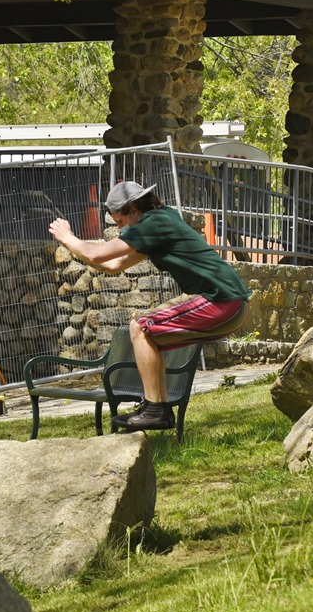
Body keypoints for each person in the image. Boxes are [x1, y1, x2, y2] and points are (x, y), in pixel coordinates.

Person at [48, 180, 250, 431]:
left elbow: (97, 254)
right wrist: (71, 245)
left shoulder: (153, 223)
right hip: (227, 304)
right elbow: (112, 266)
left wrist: (68, 236)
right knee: (149, 336)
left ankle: (156, 410)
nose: (120, 228)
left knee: (140, 327)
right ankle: (157, 409)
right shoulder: (160, 222)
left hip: (222, 301)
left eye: (120, 221)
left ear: (134, 210)